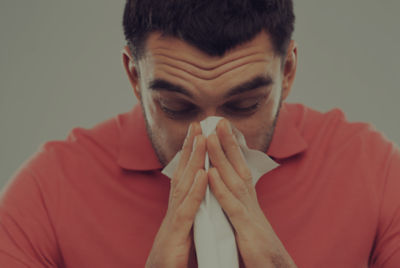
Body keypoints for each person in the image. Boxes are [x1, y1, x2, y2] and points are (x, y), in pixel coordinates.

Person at [1, 0, 399, 267]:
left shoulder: (374, 172)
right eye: (177, 107)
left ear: (288, 71)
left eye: (245, 106)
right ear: (135, 75)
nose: (212, 135)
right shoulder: (50, 190)